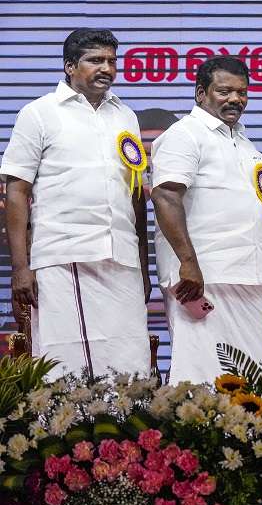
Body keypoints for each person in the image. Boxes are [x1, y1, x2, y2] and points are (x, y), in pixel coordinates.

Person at [1, 28, 151, 379]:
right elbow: (17, 192)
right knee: (64, 360)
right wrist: (20, 267)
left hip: (121, 257)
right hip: (62, 255)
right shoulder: (38, 113)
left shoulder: (125, 116)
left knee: (130, 355)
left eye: (112, 61)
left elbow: (135, 194)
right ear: (69, 66)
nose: (107, 69)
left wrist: (143, 264)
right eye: (95, 60)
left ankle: (128, 417)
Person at [151, 56, 262, 385]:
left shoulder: (245, 143)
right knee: (200, 378)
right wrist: (188, 264)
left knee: (250, 384)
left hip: (248, 278)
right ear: (201, 93)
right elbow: (166, 196)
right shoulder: (184, 135)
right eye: (224, 91)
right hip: (203, 278)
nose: (235, 99)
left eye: (242, 92)